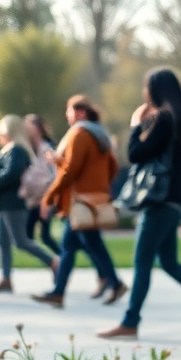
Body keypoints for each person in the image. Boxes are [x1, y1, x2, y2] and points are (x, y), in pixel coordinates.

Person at [99, 67, 181, 341]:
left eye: (147, 88)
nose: (144, 94)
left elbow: (135, 154)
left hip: (158, 201)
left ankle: (130, 322)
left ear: (154, 91)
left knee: (142, 261)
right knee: (168, 263)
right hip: (174, 203)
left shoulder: (162, 119)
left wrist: (136, 124)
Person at [31, 95, 126, 308]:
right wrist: (100, 187)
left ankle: (112, 283)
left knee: (86, 245)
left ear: (81, 113)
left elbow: (71, 170)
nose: (67, 115)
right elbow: (110, 166)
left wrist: (50, 194)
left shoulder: (80, 134)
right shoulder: (100, 136)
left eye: (69, 111)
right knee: (70, 246)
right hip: (91, 200)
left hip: (80, 203)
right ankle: (60, 292)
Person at [0, 114, 58, 293]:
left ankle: (53, 262)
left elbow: (12, 174)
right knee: (1, 241)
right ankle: (6, 278)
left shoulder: (17, 150)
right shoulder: (9, 150)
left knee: (21, 241)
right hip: (2, 204)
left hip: (13, 203)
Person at [23, 114, 62, 256]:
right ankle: (58, 260)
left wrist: (51, 195)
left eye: (29, 125)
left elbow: (55, 173)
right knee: (27, 235)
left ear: (38, 128)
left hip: (46, 197)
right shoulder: (26, 149)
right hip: (32, 198)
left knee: (44, 235)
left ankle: (59, 261)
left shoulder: (48, 148)